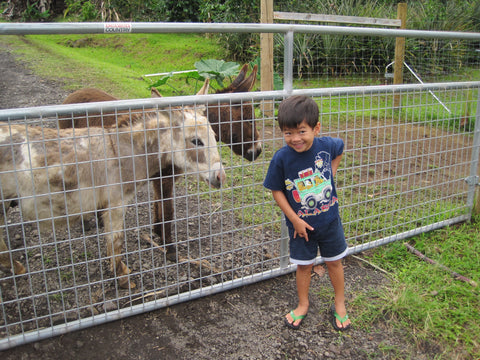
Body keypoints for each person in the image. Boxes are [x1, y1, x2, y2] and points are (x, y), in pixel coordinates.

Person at [263, 95, 351, 331]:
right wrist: (295, 219)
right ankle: (303, 304)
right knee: (304, 266)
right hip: (300, 229)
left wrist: (331, 174)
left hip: (330, 221)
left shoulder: (326, 146)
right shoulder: (282, 158)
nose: (295, 138)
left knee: (335, 262)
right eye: (288, 133)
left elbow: (340, 147)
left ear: (316, 128)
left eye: (302, 131)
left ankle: (340, 302)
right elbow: (276, 190)